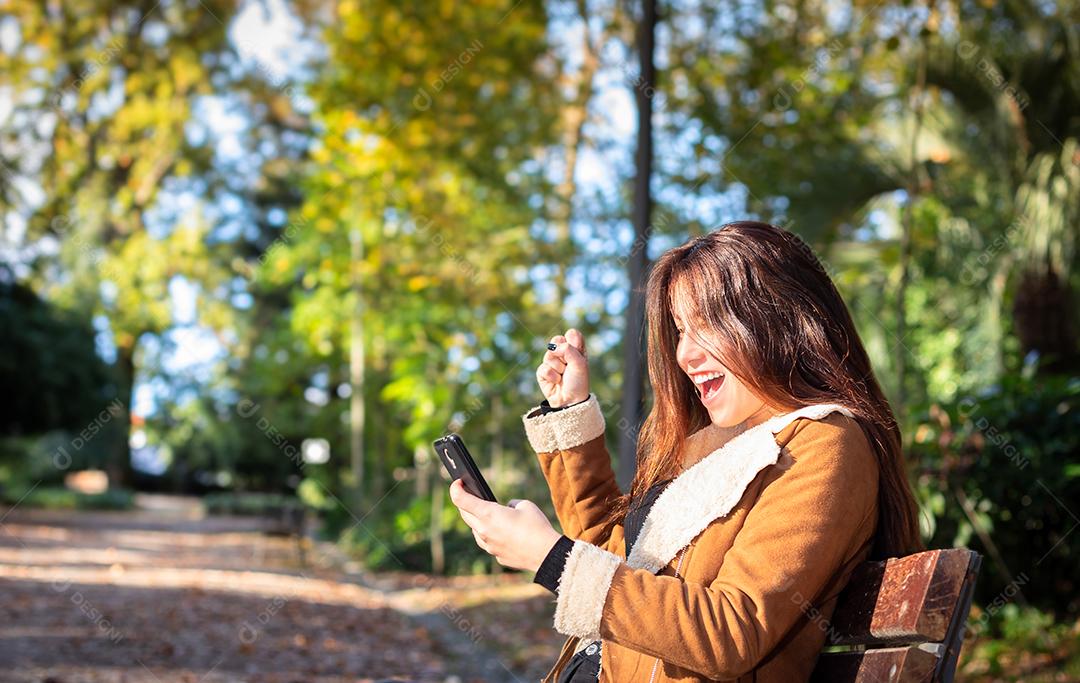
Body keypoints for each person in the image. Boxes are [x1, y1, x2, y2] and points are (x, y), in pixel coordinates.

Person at [448, 221, 922, 682]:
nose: (684, 355)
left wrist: (550, 558)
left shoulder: (826, 441)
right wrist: (571, 413)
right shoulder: (708, 446)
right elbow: (610, 556)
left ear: (775, 318)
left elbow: (733, 632)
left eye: (705, 326)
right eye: (679, 330)